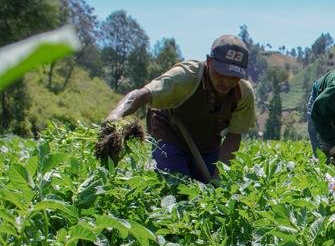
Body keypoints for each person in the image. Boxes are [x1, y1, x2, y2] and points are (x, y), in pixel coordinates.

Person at [103, 34, 256, 182]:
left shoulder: (243, 93)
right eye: (221, 73)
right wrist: (116, 114)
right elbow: (143, 94)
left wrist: (218, 179)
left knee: (206, 188)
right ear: (209, 62)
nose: (226, 81)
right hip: (170, 132)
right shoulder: (187, 75)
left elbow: (233, 136)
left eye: (233, 77)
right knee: (176, 184)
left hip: (207, 143)